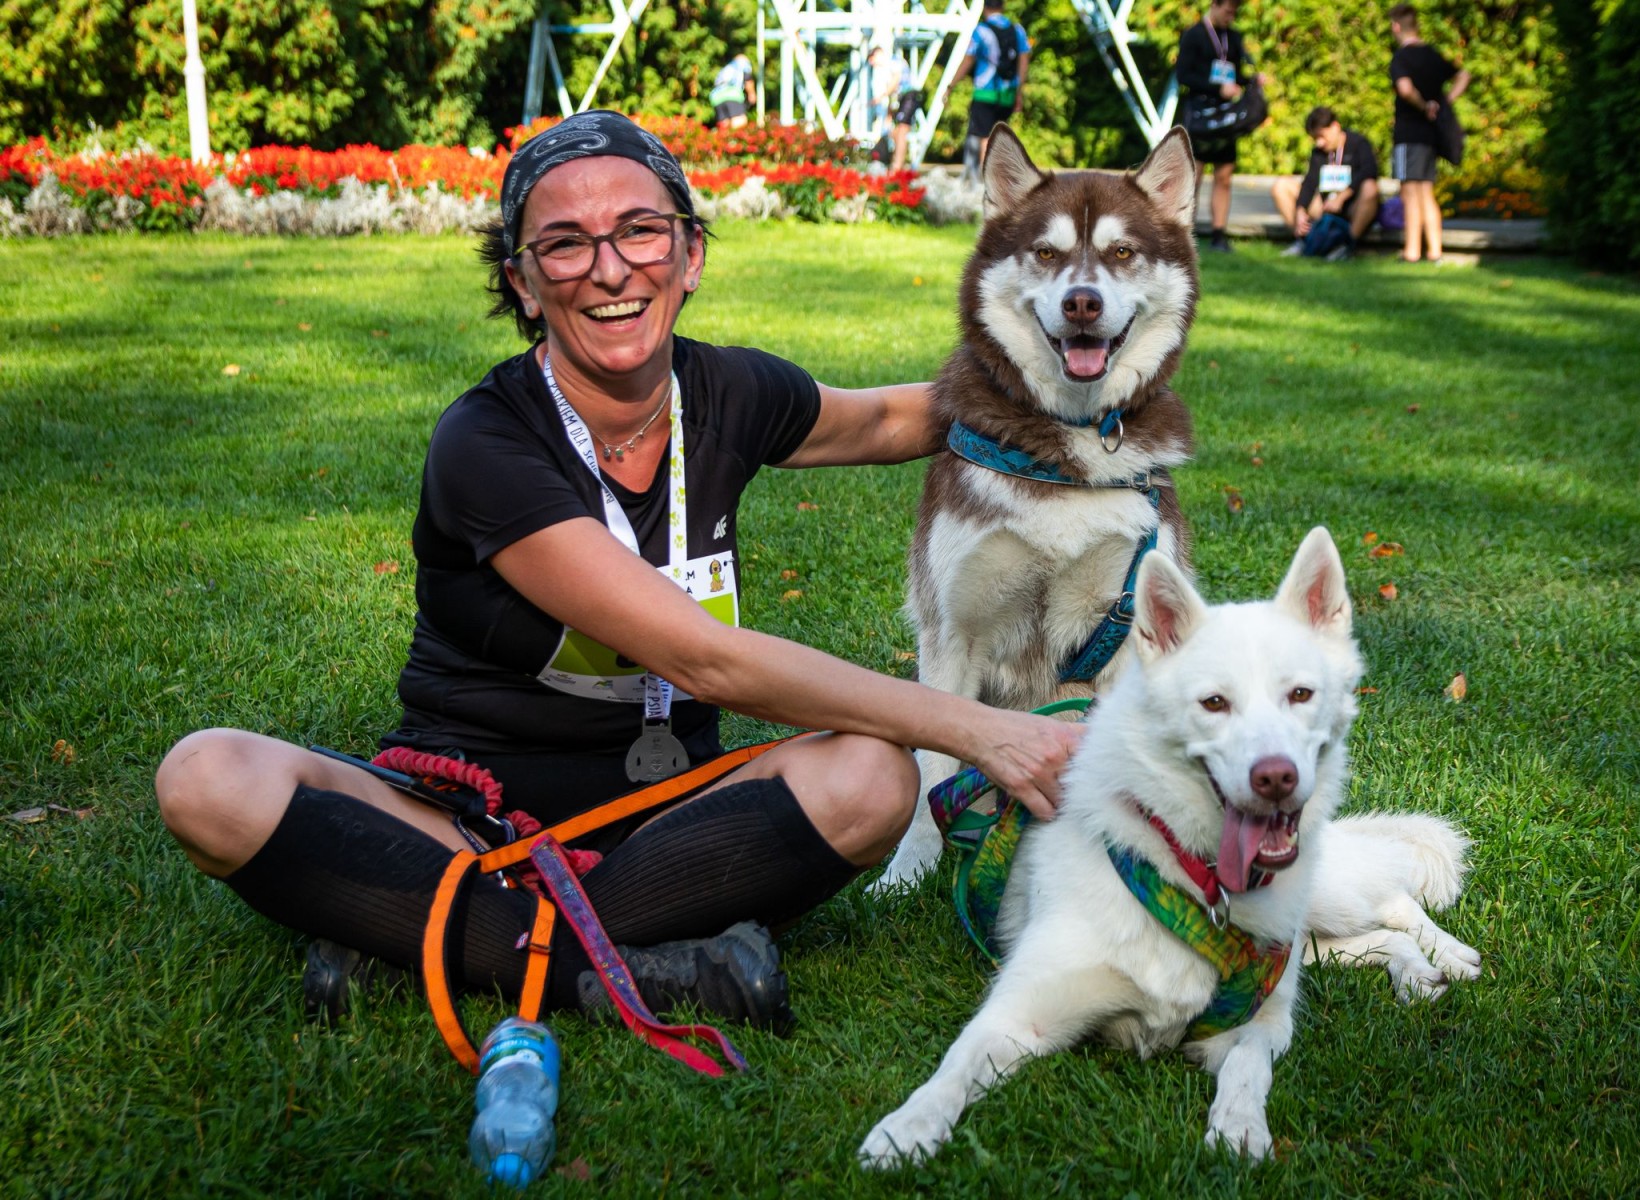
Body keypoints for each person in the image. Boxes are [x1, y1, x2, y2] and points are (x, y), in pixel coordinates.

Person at [153, 111, 1082, 1034]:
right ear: (521, 284)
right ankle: (629, 970)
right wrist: (978, 731)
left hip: (671, 818)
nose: (609, 269)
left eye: (641, 231)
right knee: (207, 777)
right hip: (464, 817)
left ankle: (430, 939)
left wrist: (1072, 376)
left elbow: (886, 421)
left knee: (876, 781)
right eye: (563, 245)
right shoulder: (485, 441)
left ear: (690, 256)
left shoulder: (731, 392)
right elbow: (706, 661)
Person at [1174, 0, 1271, 253]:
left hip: (1226, 117)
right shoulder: (1194, 35)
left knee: (1224, 175)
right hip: (1200, 116)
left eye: (1235, 13)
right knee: (1192, 175)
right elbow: (1184, 75)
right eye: (1228, 11)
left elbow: (1235, 73)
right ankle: (1184, 234)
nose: (1231, 17)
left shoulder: (1234, 38)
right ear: (1215, 6)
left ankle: (1219, 234)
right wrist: (1216, 87)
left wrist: (1252, 80)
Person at [1387, 3, 1471, 263]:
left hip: (1409, 133)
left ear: (1396, 26)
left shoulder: (1401, 58)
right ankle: (1435, 251)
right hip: (1431, 135)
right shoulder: (1432, 54)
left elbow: (1404, 88)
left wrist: (1423, 106)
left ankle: (1411, 251)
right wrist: (1445, 100)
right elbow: (1464, 75)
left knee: (1409, 191)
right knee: (1426, 191)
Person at [1270, 106, 1382, 260]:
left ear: (1335, 127)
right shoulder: (1319, 152)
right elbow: (1310, 181)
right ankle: (1302, 240)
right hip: (1324, 208)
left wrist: (1341, 197)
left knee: (1370, 187)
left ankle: (1347, 246)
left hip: (1351, 207)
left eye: (1322, 136)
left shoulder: (1358, 143)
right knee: (1281, 185)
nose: (1319, 143)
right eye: (1315, 138)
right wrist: (1300, 210)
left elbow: (1369, 171)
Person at [945, 0, 1031, 175]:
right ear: (1003, 6)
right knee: (998, 137)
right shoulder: (1018, 30)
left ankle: (987, 182)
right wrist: (1018, 92)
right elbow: (1024, 61)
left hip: (985, 93)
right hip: (1007, 94)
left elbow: (968, 60)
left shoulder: (981, 31)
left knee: (983, 138)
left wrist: (951, 86)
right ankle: (995, 179)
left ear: (985, 7)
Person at [868, 45, 924, 170]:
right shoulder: (888, 68)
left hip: (909, 96)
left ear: (878, 54)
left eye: (872, 59)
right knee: (896, 132)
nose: (872, 64)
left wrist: (881, 97)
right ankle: (897, 163)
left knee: (902, 131)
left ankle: (897, 167)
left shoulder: (893, 61)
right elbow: (893, 95)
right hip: (903, 99)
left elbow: (896, 81)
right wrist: (889, 115)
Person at [709, 52, 757, 130]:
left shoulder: (727, 67)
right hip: (732, 95)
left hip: (716, 98)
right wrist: (752, 94)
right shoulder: (743, 64)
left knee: (724, 125)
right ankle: (735, 141)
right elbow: (748, 80)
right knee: (740, 122)